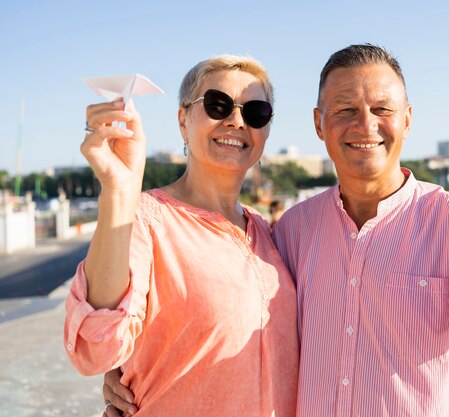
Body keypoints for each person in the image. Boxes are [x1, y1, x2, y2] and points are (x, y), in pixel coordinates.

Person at [103, 44, 449, 417]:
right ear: (319, 123)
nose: (365, 124)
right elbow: (227, 311)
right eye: (345, 109)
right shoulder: (288, 233)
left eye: (382, 109)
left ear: (408, 120)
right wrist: (131, 366)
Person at [64, 55, 299, 417]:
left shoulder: (271, 236)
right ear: (183, 120)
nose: (236, 120)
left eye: (255, 111)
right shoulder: (146, 218)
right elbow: (96, 348)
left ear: (266, 130)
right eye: (217, 105)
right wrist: (118, 192)